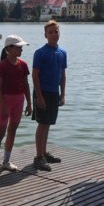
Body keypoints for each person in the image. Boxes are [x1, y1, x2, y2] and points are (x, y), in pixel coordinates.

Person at [0, 35, 32, 175]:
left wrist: (29, 103)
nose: (21, 49)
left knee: (12, 131)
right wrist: (3, 105)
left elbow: (26, 85)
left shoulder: (23, 64)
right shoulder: (2, 65)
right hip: (5, 101)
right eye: (19, 47)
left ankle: (6, 161)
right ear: (9, 49)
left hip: (19, 101)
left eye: (21, 47)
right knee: (0, 132)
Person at [32, 20, 67, 171]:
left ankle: (44, 153)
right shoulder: (40, 53)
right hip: (43, 92)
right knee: (42, 123)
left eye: (56, 32)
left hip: (54, 92)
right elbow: (35, 76)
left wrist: (62, 94)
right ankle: (38, 157)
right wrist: (39, 97)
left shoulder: (62, 52)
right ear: (45, 35)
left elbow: (62, 75)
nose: (53, 34)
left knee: (48, 124)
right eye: (50, 32)